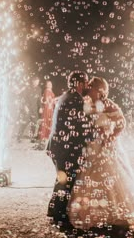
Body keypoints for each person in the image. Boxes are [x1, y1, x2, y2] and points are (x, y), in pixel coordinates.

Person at [68, 76, 134, 231]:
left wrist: (110, 136)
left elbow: (121, 123)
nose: (88, 88)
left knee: (111, 176)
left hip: (106, 146)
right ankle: (93, 212)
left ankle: (114, 211)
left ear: (99, 90)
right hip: (92, 146)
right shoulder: (87, 102)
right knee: (89, 178)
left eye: (91, 86)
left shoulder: (107, 104)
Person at [46, 71, 92, 229]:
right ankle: (60, 217)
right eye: (86, 82)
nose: (88, 85)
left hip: (59, 145)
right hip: (64, 148)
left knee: (62, 179)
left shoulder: (67, 95)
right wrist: (94, 135)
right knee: (66, 181)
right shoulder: (75, 99)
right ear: (79, 83)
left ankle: (54, 211)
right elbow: (80, 126)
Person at [17, 76, 42, 143]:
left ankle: (32, 137)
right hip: (27, 109)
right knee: (24, 123)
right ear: (32, 81)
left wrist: (40, 107)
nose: (37, 83)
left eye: (38, 82)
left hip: (34, 110)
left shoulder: (39, 89)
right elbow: (23, 98)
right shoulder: (27, 89)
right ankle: (19, 136)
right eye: (35, 81)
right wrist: (25, 106)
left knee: (34, 124)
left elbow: (39, 100)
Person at [35, 80, 55, 150]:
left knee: (48, 122)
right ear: (46, 85)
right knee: (45, 121)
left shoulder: (50, 91)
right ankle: (43, 135)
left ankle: (46, 135)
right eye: (49, 84)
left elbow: (52, 100)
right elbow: (47, 100)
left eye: (51, 83)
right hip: (47, 108)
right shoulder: (46, 91)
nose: (50, 85)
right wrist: (50, 104)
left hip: (50, 108)